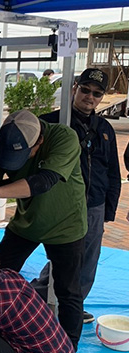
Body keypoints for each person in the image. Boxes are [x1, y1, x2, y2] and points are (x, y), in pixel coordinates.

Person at [0, 109, 87, 351]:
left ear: (39, 141)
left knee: (68, 292)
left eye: (24, 155)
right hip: (26, 224)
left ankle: (68, 350)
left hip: (66, 226)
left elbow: (44, 181)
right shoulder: (0, 148)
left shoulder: (63, 138)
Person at [32, 68, 121, 324]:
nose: (89, 97)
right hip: (60, 206)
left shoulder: (104, 129)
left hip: (94, 206)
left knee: (88, 260)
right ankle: (37, 301)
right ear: (74, 89)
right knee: (62, 258)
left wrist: (108, 209)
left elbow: (113, 171)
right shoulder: (49, 123)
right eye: (85, 90)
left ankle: (73, 307)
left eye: (97, 93)